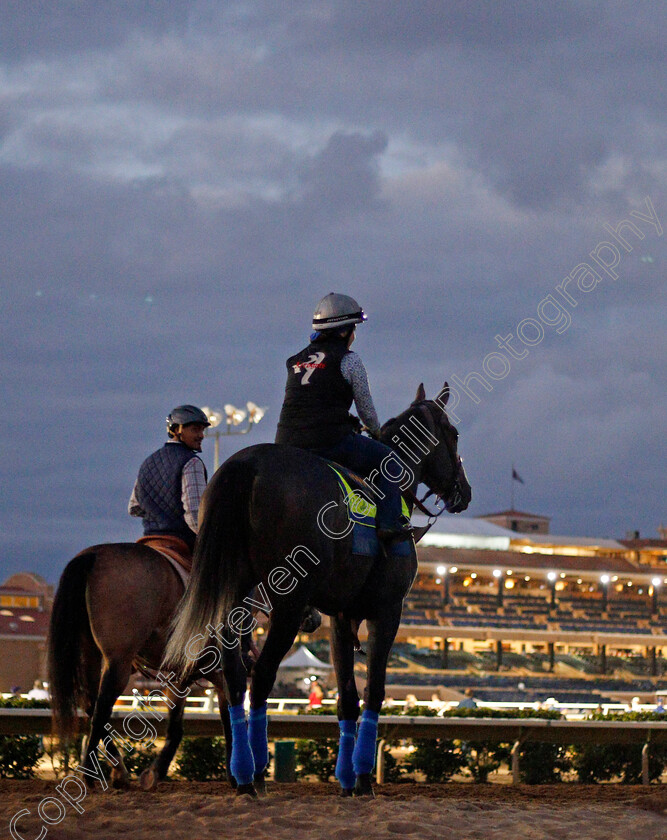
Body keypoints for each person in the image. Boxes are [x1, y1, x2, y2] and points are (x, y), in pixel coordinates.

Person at [275, 293, 412, 545]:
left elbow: (311, 402)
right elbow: (366, 411)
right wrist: (377, 432)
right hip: (327, 442)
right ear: (342, 332)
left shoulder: (293, 361)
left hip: (286, 444)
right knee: (389, 460)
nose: (354, 335)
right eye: (353, 329)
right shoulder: (350, 360)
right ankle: (390, 525)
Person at [129, 405, 210, 555]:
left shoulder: (148, 462)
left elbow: (134, 507)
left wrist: (159, 515)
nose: (201, 435)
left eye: (202, 430)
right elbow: (194, 514)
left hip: (149, 541)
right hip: (181, 542)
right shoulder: (192, 462)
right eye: (195, 430)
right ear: (178, 430)